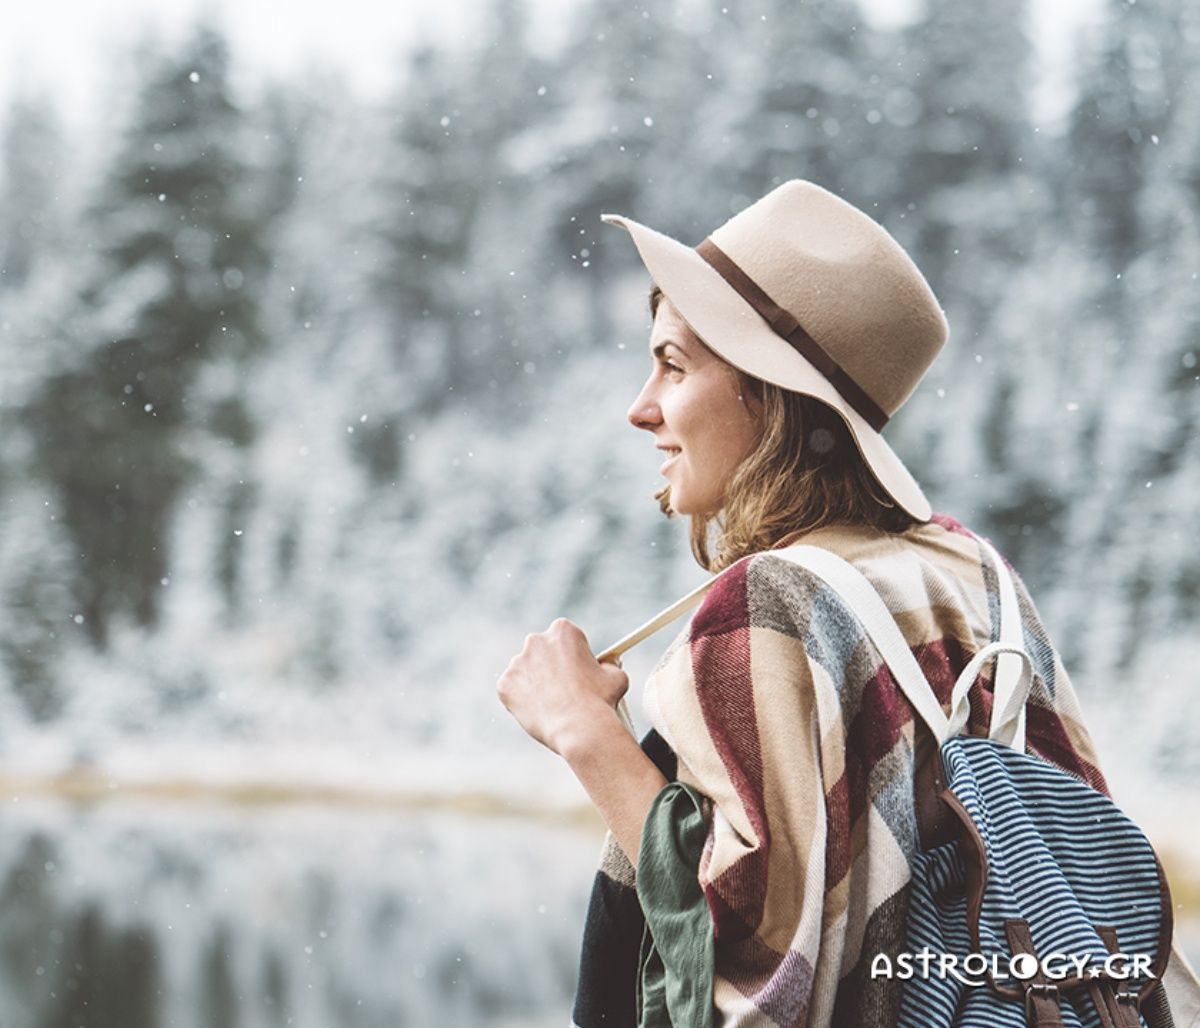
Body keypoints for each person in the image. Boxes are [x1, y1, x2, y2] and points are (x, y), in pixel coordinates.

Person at [495, 181, 1200, 1027]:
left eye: (674, 364)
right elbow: (1086, 862)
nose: (641, 407)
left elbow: (754, 967)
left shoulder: (769, 602)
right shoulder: (975, 572)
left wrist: (587, 735)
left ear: (772, 395)